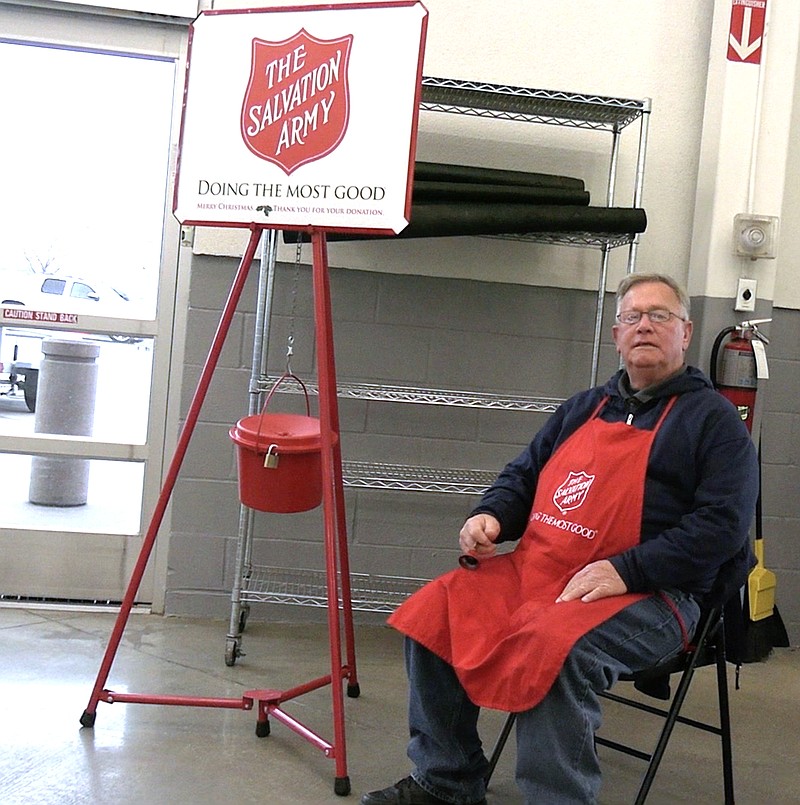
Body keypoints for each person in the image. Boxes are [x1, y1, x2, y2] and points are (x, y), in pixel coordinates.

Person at [361, 273, 759, 805]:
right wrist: (493, 516)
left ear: (685, 333)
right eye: (633, 316)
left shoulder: (716, 423)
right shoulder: (583, 407)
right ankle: (447, 781)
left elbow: (723, 526)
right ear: (616, 335)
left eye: (660, 315)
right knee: (435, 614)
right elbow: (523, 475)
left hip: (658, 594)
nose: (645, 325)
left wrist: (627, 571)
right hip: (543, 572)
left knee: (556, 650)